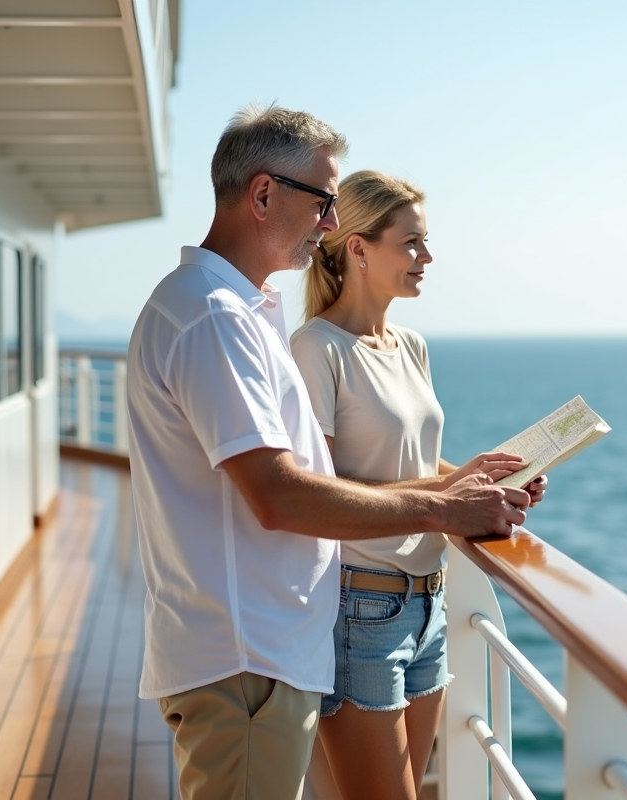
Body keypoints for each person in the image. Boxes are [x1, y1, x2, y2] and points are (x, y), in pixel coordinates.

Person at [126, 107, 533, 800]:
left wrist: (462, 491)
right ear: (262, 195)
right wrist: (441, 511)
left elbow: (298, 475)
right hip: (245, 658)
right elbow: (280, 495)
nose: (329, 223)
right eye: (323, 202)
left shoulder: (233, 310)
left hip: (261, 650)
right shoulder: (213, 318)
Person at [291, 170, 549, 800]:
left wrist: (481, 478)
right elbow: (323, 491)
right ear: (358, 248)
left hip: (429, 601)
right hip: (363, 606)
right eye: (410, 243)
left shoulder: (411, 345)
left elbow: (411, 466)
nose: (426, 258)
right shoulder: (316, 348)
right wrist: (446, 502)